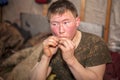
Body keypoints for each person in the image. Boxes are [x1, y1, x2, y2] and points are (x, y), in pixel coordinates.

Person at [30, 0, 112, 80]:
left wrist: (71, 60)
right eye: (54, 24)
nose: (61, 30)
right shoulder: (51, 44)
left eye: (66, 22)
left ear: (77, 22)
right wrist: (46, 57)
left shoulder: (95, 43)